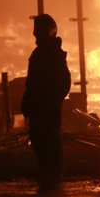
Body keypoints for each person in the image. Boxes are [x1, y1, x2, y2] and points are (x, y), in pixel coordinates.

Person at [21, 14, 71, 186]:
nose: (36, 36)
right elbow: (33, 81)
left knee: (49, 138)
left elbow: (63, 82)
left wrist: (51, 100)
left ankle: (53, 173)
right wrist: (29, 99)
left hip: (47, 106)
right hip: (40, 105)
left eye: (38, 32)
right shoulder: (42, 53)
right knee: (39, 138)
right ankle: (46, 170)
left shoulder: (51, 54)